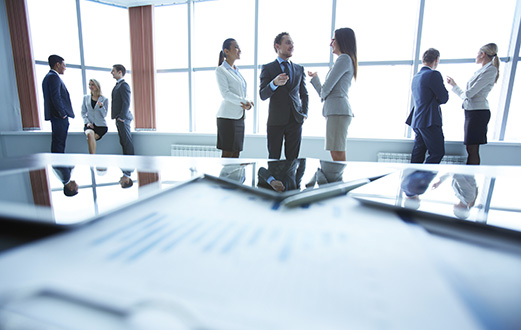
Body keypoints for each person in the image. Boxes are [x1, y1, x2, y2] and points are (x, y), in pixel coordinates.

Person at [308, 28, 357, 162]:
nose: (331, 44)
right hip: (337, 111)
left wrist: (316, 80)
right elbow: (324, 93)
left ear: (341, 40)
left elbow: (324, 91)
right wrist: (315, 79)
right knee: (336, 152)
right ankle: (337, 181)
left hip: (338, 111)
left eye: (333, 40)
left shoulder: (344, 59)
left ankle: (338, 182)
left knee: (337, 153)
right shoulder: (345, 59)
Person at [446, 43, 500, 165]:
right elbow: (468, 95)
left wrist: (458, 89)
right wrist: (454, 86)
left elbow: (469, 94)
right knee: (470, 148)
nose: (476, 56)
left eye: (477, 53)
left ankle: (471, 177)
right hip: (472, 112)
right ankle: (469, 179)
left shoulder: (490, 70)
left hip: (478, 113)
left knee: (472, 148)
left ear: (483, 54)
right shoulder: (482, 70)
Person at [259, 32, 309, 160]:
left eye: (292, 43)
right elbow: (262, 95)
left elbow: (304, 94)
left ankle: (291, 181)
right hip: (276, 121)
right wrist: (274, 83)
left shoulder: (299, 69)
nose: (291, 45)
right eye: (288, 42)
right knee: (273, 159)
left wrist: (304, 113)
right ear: (277, 46)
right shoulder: (268, 68)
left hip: (296, 120)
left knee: (293, 161)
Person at [409, 48, 449, 164]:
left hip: (417, 120)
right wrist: (436, 98)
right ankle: (426, 179)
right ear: (436, 60)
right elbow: (444, 98)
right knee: (437, 152)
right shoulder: (433, 74)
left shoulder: (416, 76)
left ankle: (413, 180)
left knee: (418, 152)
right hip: (429, 120)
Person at [215, 38, 254, 158]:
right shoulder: (221, 70)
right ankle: (224, 178)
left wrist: (248, 102)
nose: (239, 50)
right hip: (227, 118)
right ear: (226, 51)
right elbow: (225, 93)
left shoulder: (236, 70)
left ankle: (235, 178)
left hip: (239, 117)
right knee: (228, 155)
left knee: (236, 154)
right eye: (236, 47)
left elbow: (242, 91)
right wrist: (244, 101)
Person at [42, 55, 75, 153]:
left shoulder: (48, 77)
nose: (65, 68)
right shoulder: (53, 77)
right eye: (63, 65)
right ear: (57, 64)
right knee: (59, 143)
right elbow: (56, 97)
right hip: (58, 117)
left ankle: (58, 165)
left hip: (55, 116)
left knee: (57, 142)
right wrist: (63, 114)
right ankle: (59, 166)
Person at [111, 64, 135, 155]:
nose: (111, 73)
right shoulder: (118, 85)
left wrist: (122, 117)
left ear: (119, 72)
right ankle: (126, 165)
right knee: (123, 142)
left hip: (123, 118)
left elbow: (126, 102)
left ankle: (130, 164)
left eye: (113, 71)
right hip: (119, 118)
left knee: (126, 142)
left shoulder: (124, 85)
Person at [81, 79, 108, 154]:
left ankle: (92, 159)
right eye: (89, 85)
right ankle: (93, 158)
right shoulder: (86, 98)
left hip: (101, 126)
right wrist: (87, 123)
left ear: (97, 86)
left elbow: (104, 115)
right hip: (89, 125)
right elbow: (83, 112)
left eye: (92, 84)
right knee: (90, 134)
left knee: (90, 139)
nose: (90, 86)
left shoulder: (104, 99)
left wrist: (101, 107)